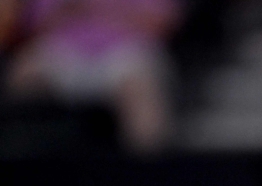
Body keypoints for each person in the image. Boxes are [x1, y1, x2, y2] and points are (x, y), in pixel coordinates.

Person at [4, 0, 181, 153]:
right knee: (24, 74)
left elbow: (159, 23)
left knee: (142, 89)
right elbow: (37, 25)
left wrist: (94, 13)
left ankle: (147, 176)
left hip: (127, 50)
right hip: (64, 49)